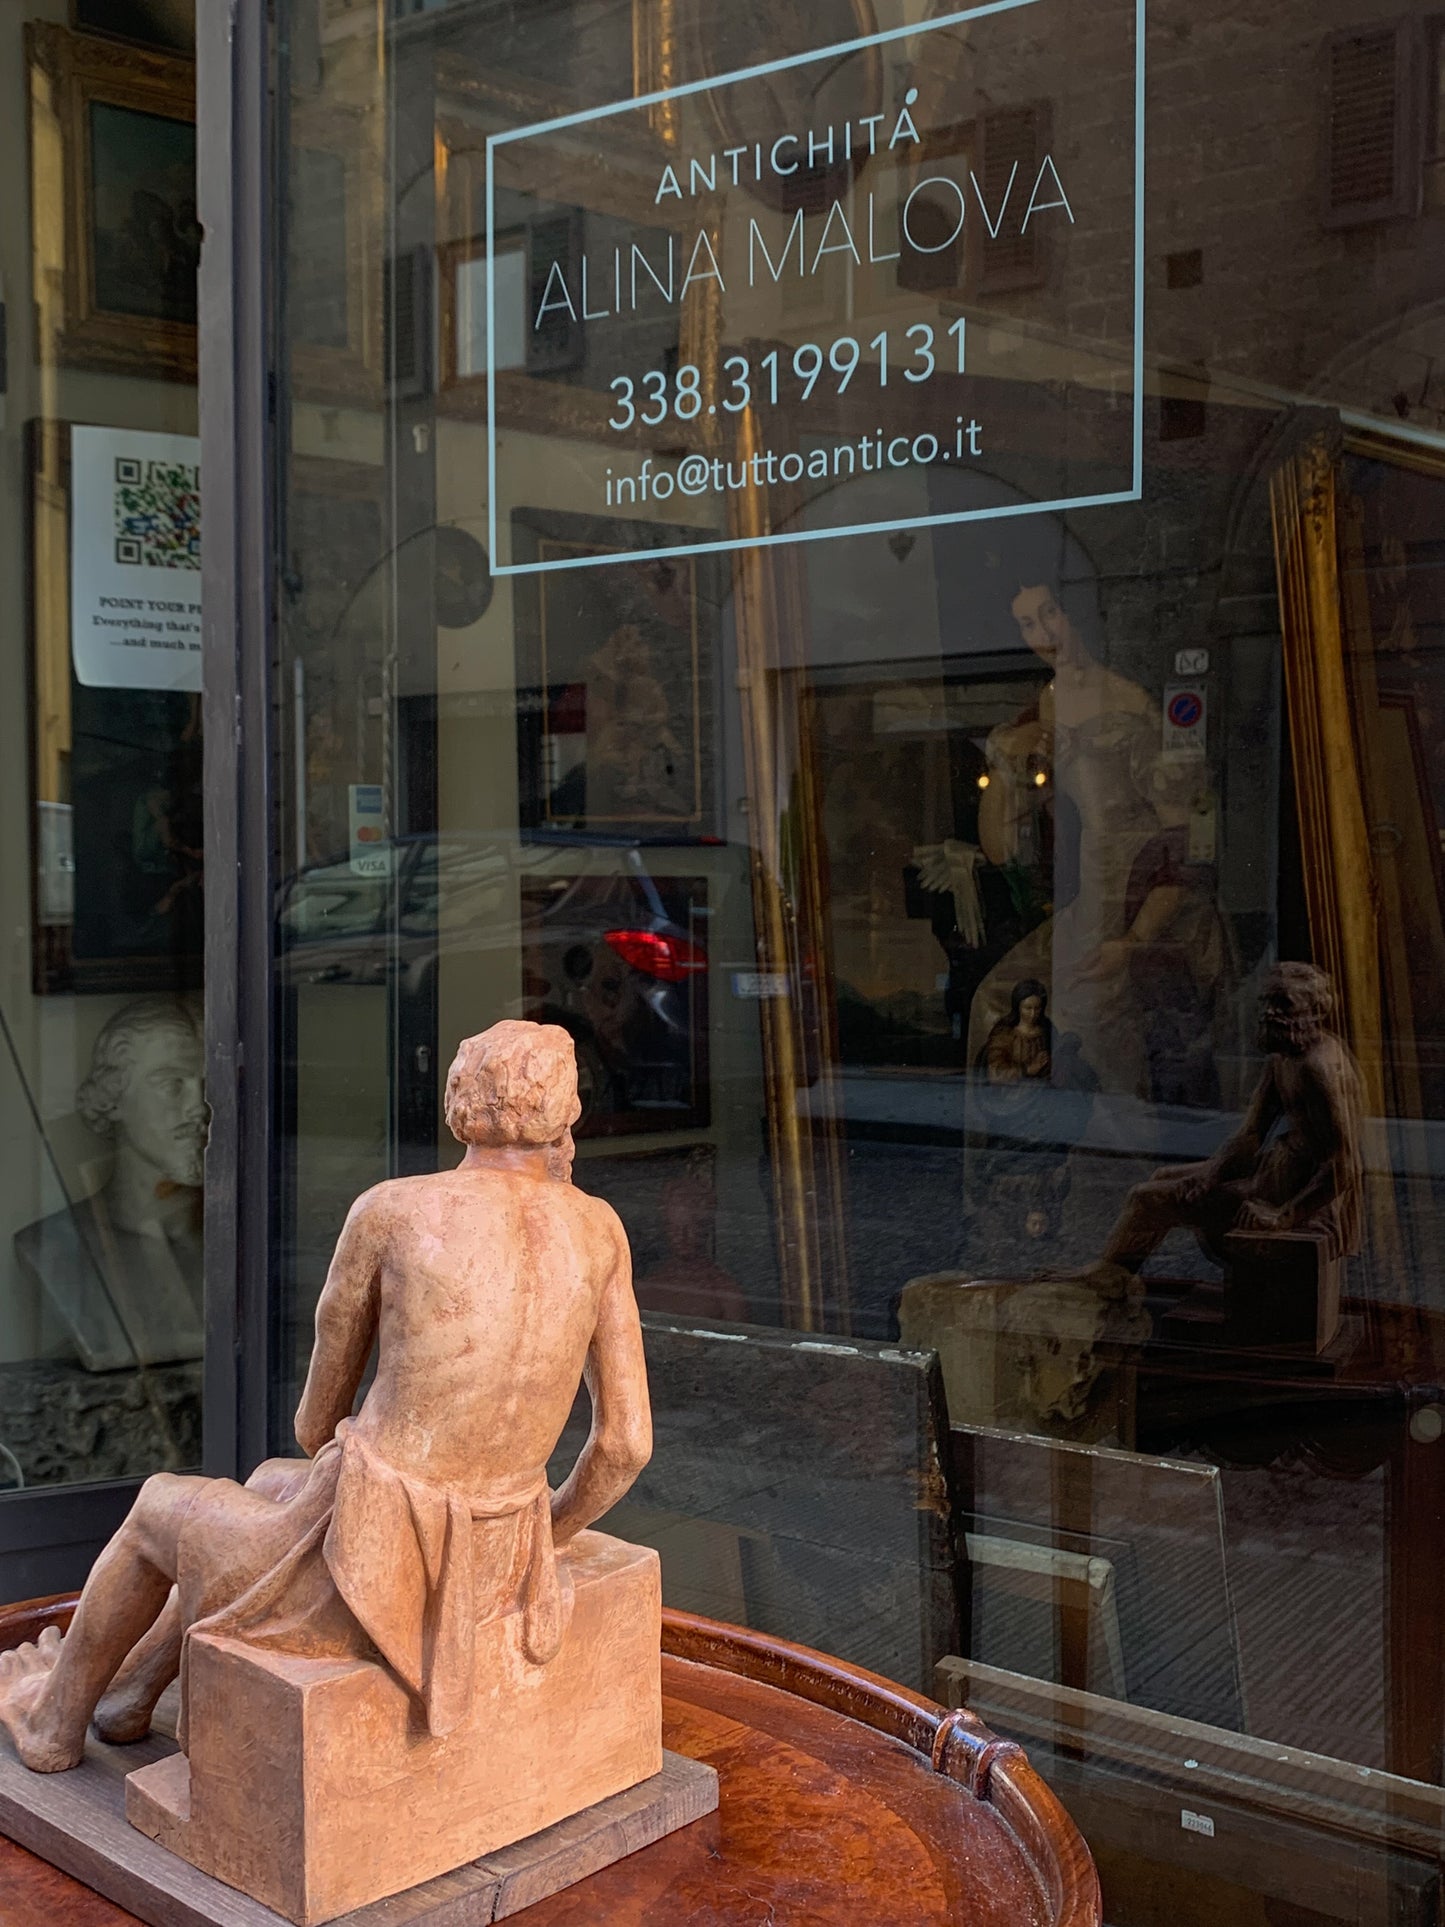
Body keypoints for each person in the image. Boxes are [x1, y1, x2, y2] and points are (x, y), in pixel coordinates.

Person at [0, 1020, 651, 1773]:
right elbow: (624, 1445)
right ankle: (132, 1693)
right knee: (270, 1484)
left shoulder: (392, 1210)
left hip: (372, 1568)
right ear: (564, 1115)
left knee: (157, 1506)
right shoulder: (600, 1228)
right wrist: (534, 1530)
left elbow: (316, 1423)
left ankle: (50, 1722)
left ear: (459, 1101)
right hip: (496, 1551)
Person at [968, 582, 1229, 1105]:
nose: (1044, 634)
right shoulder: (1043, 704)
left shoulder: (1129, 702)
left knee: (1097, 1035)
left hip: (1140, 895)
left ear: (1078, 614)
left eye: (1051, 613)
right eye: (1027, 624)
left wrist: (1133, 941)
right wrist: (1005, 765)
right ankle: (1027, 1173)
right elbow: (1003, 849)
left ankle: (1112, 1173)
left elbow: (1191, 834)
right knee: (994, 1003)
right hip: (1085, 888)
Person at [1085, 963, 1363, 1288]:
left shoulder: (1320, 1069)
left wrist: (1282, 1216)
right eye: (1265, 1003)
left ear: (1315, 1011)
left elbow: (1346, 1164)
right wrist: (1212, 1173)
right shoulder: (1283, 1056)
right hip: (1275, 1170)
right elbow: (1251, 1134)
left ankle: (1107, 1277)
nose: (1269, 1013)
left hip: (1291, 1191)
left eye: (1283, 1004)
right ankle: (1121, 1272)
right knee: (1164, 1177)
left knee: (1145, 1199)